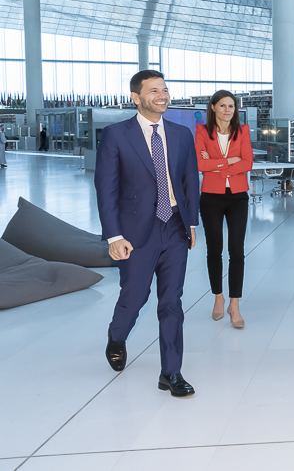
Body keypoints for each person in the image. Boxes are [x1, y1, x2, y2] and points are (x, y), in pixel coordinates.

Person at [95, 70, 199, 398]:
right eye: (154, 90)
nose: (162, 95)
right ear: (136, 98)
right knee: (135, 296)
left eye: (165, 89)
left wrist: (192, 223)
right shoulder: (116, 135)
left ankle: (171, 372)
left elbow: (189, 182)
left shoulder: (182, 135)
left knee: (171, 302)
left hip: (174, 228)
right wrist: (113, 236)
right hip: (135, 232)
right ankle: (117, 336)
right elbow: (105, 189)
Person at [195, 90, 253, 328]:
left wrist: (216, 165)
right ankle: (218, 297)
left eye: (231, 106)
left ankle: (235, 304)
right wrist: (230, 161)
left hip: (238, 197)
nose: (228, 110)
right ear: (213, 108)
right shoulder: (202, 132)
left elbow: (248, 162)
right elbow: (199, 164)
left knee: (237, 251)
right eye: (223, 105)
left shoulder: (243, 131)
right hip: (211, 197)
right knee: (214, 249)